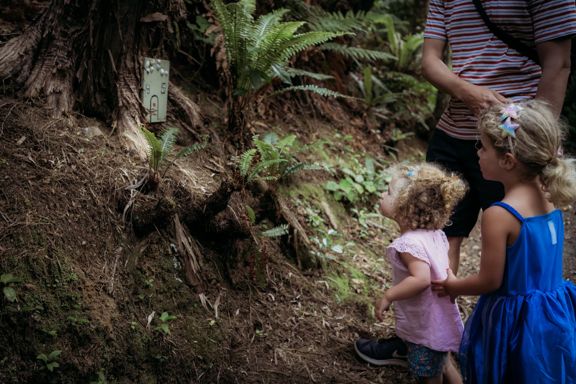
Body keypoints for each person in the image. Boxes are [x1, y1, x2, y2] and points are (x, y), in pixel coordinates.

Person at [356, 0, 576, 367]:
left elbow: (559, 62)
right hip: (456, 133)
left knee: (514, 233)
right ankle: (425, 342)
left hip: (513, 144)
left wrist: (536, 143)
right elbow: (431, 60)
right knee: (435, 238)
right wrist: (467, 91)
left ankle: (475, 347)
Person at [432, 100, 576, 383]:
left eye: (483, 147)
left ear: (507, 161)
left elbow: (490, 281)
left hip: (516, 321)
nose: (478, 153)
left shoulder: (500, 214)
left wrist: (453, 286)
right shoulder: (551, 198)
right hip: (554, 311)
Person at [355, 163, 467, 383]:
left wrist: (390, 295)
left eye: (388, 193)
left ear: (404, 207)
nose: (382, 195)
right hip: (438, 320)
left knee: (430, 376)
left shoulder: (409, 244)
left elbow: (422, 279)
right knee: (443, 363)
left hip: (426, 327)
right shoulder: (435, 234)